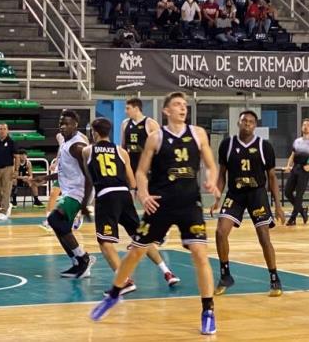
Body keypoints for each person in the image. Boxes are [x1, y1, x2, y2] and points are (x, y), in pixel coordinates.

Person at [91, 92, 221, 335]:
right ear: (166, 110)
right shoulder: (156, 137)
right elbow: (140, 172)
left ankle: (208, 310)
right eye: (177, 105)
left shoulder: (198, 133)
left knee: (200, 254)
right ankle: (114, 293)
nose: (183, 108)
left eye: (184, 105)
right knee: (136, 251)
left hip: (189, 204)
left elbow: (211, 165)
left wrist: (212, 181)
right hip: (160, 204)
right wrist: (143, 194)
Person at [83, 117, 180, 294]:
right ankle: (167, 272)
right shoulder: (121, 152)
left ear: (94, 133)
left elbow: (89, 178)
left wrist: (88, 201)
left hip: (106, 196)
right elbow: (133, 181)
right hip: (124, 194)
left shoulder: (87, 151)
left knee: (105, 242)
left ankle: (124, 281)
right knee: (141, 238)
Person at [211, 110, 286, 297]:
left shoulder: (264, 146)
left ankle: (274, 278)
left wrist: (278, 205)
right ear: (238, 122)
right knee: (220, 232)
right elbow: (222, 174)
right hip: (235, 194)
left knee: (264, 237)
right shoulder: (227, 144)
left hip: (256, 194)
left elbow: (272, 178)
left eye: (251, 122)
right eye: (244, 120)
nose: (247, 124)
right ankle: (225, 276)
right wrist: (217, 197)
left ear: (255, 126)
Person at [47, 110, 95, 278]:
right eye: (61, 123)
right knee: (61, 226)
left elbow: (89, 175)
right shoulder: (65, 143)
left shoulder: (77, 146)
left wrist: (84, 204)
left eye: (67, 123)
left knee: (54, 219)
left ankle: (83, 257)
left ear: (75, 125)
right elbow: (65, 170)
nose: (63, 126)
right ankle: (77, 262)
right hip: (71, 191)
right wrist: (43, 178)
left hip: (79, 192)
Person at [283, 119, 309, 226]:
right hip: (295, 168)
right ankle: (302, 211)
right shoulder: (297, 141)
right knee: (287, 192)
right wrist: (288, 165)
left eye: (308, 125)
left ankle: (293, 218)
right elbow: (292, 155)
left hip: (305, 170)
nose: (305, 127)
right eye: (304, 125)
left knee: (299, 194)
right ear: (301, 127)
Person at [121, 98, 160, 174]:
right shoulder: (125, 123)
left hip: (145, 166)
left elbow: (159, 146)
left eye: (128, 108)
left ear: (136, 108)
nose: (126, 111)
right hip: (130, 165)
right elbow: (123, 145)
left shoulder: (151, 123)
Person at [0, 123, 18, 218]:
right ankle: (7, 204)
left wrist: (16, 170)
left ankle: (4, 212)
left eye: (4, 129)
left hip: (8, 168)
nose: (2, 130)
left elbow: (16, 156)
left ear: (7, 130)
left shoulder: (11, 142)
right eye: (0, 129)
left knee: (6, 190)